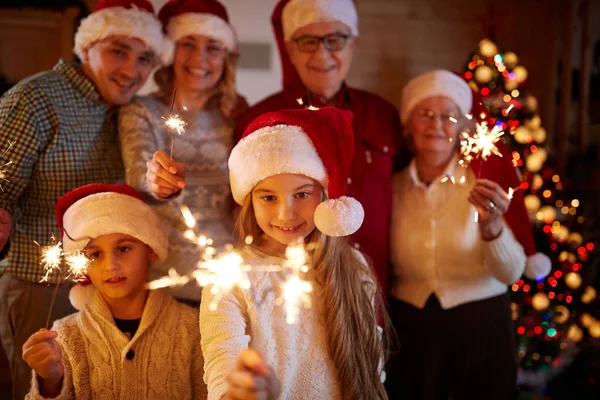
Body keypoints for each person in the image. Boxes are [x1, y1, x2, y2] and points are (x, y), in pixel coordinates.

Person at [0, 1, 167, 398]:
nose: (132, 70)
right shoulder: (37, 99)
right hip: (40, 285)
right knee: (42, 390)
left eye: (145, 58)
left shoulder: (127, 111)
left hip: (104, 286)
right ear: (87, 46)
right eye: (118, 51)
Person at [200, 107, 388, 400]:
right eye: (268, 197)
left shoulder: (354, 267)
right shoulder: (228, 278)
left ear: (326, 197)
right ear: (250, 200)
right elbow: (221, 363)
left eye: (302, 194)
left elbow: (372, 368)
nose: (286, 213)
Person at [386, 70, 550, 399]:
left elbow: (512, 272)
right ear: (408, 125)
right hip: (411, 329)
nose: (437, 125)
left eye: (449, 116)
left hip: (481, 326)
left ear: (462, 128)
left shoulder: (483, 184)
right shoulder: (390, 187)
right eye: (426, 114)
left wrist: (492, 228)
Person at [233, 0, 402, 293]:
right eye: (308, 41)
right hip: (294, 295)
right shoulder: (259, 121)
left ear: (353, 43)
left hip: (377, 291)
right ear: (289, 49)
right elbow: (244, 211)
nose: (322, 53)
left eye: (334, 40)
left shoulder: (382, 114)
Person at [21, 183, 206, 399]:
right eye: (95, 255)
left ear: (151, 250)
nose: (111, 266)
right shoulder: (65, 336)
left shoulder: (192, 327)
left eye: (123, 249)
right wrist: (50, 382)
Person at [119, 0, 245, 303]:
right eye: (188, 44)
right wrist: (155, 178)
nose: (199, 57)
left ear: (226, 57)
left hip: (227, 284)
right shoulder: (142, 111)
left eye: (212, 47)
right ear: (170, 51)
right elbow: (137, 172)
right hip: (161, 282)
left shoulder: (238, 114)